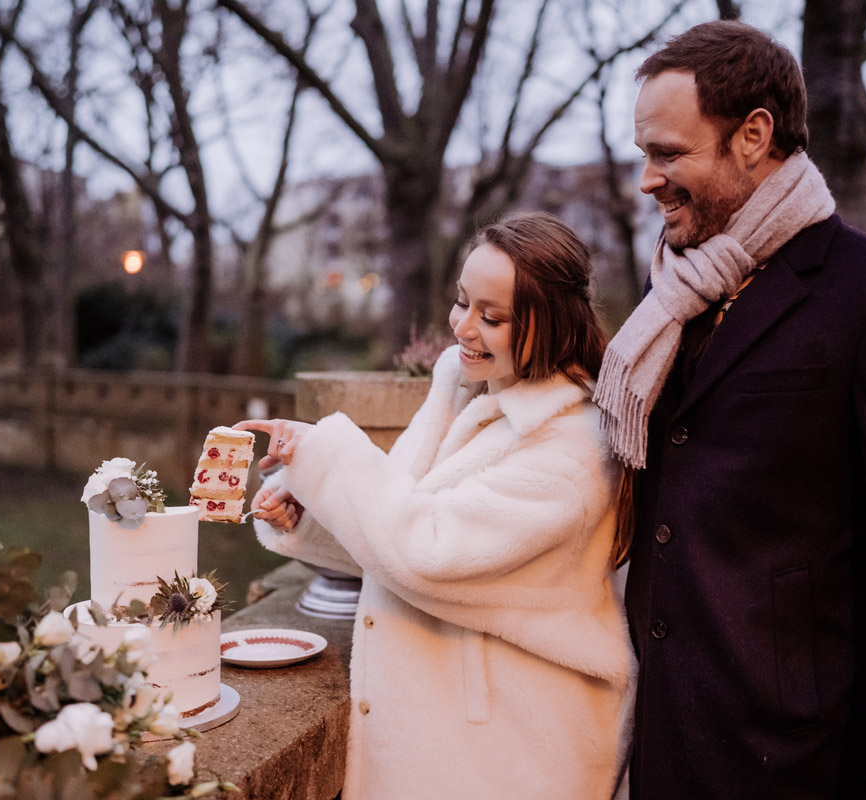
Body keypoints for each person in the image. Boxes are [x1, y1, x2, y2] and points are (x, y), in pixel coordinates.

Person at [594, 20, 866, 799]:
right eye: (644, 155)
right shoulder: (672, 296)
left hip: (804, 758)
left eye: (667, 154)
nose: (647, 180)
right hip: (667, 744)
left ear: (754, 135)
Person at [235, 212, 635, 800]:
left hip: (509, 754)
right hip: (447, 737)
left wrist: (324, 454)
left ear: (550, 325)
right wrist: (311, 514)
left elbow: (426, 550)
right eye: (462, 302)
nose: (463, 327)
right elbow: (393, 518)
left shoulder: (572, 449)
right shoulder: (471, 393)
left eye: (491, 316)